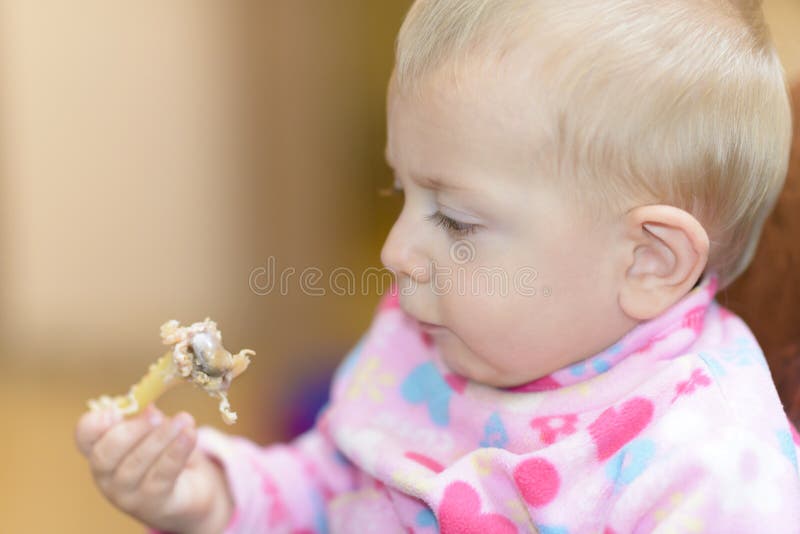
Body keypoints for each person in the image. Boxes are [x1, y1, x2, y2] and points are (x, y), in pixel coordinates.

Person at [75, 1, 800, 532]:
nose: (394, 251)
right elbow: (330, 488)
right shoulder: (429, 338)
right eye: (401, 192)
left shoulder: (707, 475)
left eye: (456, 218)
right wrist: (210, 497)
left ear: (648, 260)